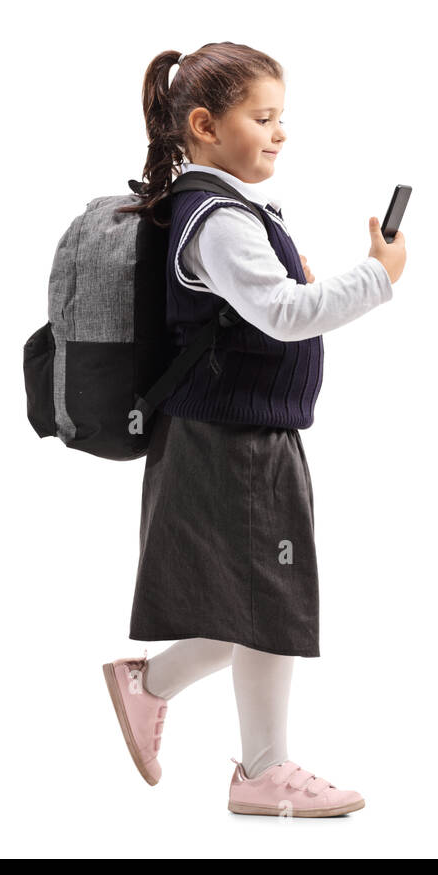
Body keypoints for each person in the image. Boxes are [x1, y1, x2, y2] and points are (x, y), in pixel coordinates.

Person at [99, 42, 406, 818]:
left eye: (281, 119)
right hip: (231, 441)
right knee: (267, 596)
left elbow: (268, 310)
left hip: (237, 435)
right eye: (262, 118)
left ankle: (152, 688)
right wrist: (378, 274)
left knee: (255, 599)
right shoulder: (219, 221)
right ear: (204, 124)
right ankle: (260, 768)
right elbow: (284, 314)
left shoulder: (219, 212)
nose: (279, 134)